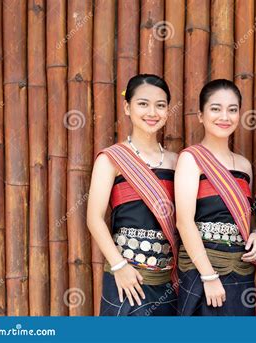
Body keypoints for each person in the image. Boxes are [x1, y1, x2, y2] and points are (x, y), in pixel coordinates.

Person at [87, 74, 179, 316]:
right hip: (127, 279)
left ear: (168, 110)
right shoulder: (112, 158)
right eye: (143, 104)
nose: (152, 112)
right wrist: (119, 266)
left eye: (160, 105)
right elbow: (94, 218)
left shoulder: (177, 162)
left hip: (167, 281)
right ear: (127, 107)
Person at [175, 79, 256, 316]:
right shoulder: (191, 159)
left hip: (241, 272)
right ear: (201, 115)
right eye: (215, 108)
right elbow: (184, 221)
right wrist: (208, 275)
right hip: (202, 272)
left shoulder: (244, 165)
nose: (225, 116)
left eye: (232, 110)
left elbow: (246, 217)